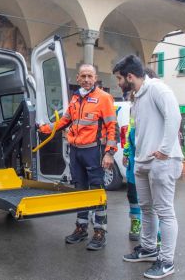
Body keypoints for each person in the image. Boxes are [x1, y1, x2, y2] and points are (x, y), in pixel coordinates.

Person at [114, 55, 183, 279]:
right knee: (146, 208)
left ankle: (166, 261)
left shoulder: (157, 89)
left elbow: (174, 117)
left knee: (165, 212)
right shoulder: (137, 97)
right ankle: (149, 248)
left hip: (162, 161)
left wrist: (164, 149)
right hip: (143, 162)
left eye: (119, 79)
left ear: (130, 76)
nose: (118, 83)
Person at [38, 63, 118, 251]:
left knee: (96, 192)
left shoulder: (104, 98)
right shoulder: (75, 100)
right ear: (78, 79)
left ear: (96, 78)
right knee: (80, 191)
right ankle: (81, 228)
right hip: (76, 151)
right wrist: (42, 128)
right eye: (83, 76)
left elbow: (112, 127)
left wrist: (109, 153)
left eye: (90, 76)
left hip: (94, 152)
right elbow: (63, 121)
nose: (87, 79)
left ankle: (100, 232)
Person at [120, 67, 161, 243]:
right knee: (134, 194)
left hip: (152, 157)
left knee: (155, 199)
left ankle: (157, 233)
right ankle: (136, 224)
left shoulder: (157, 98)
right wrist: (127, 152)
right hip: (134, 159)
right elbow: (131, 130)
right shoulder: (133, 104)